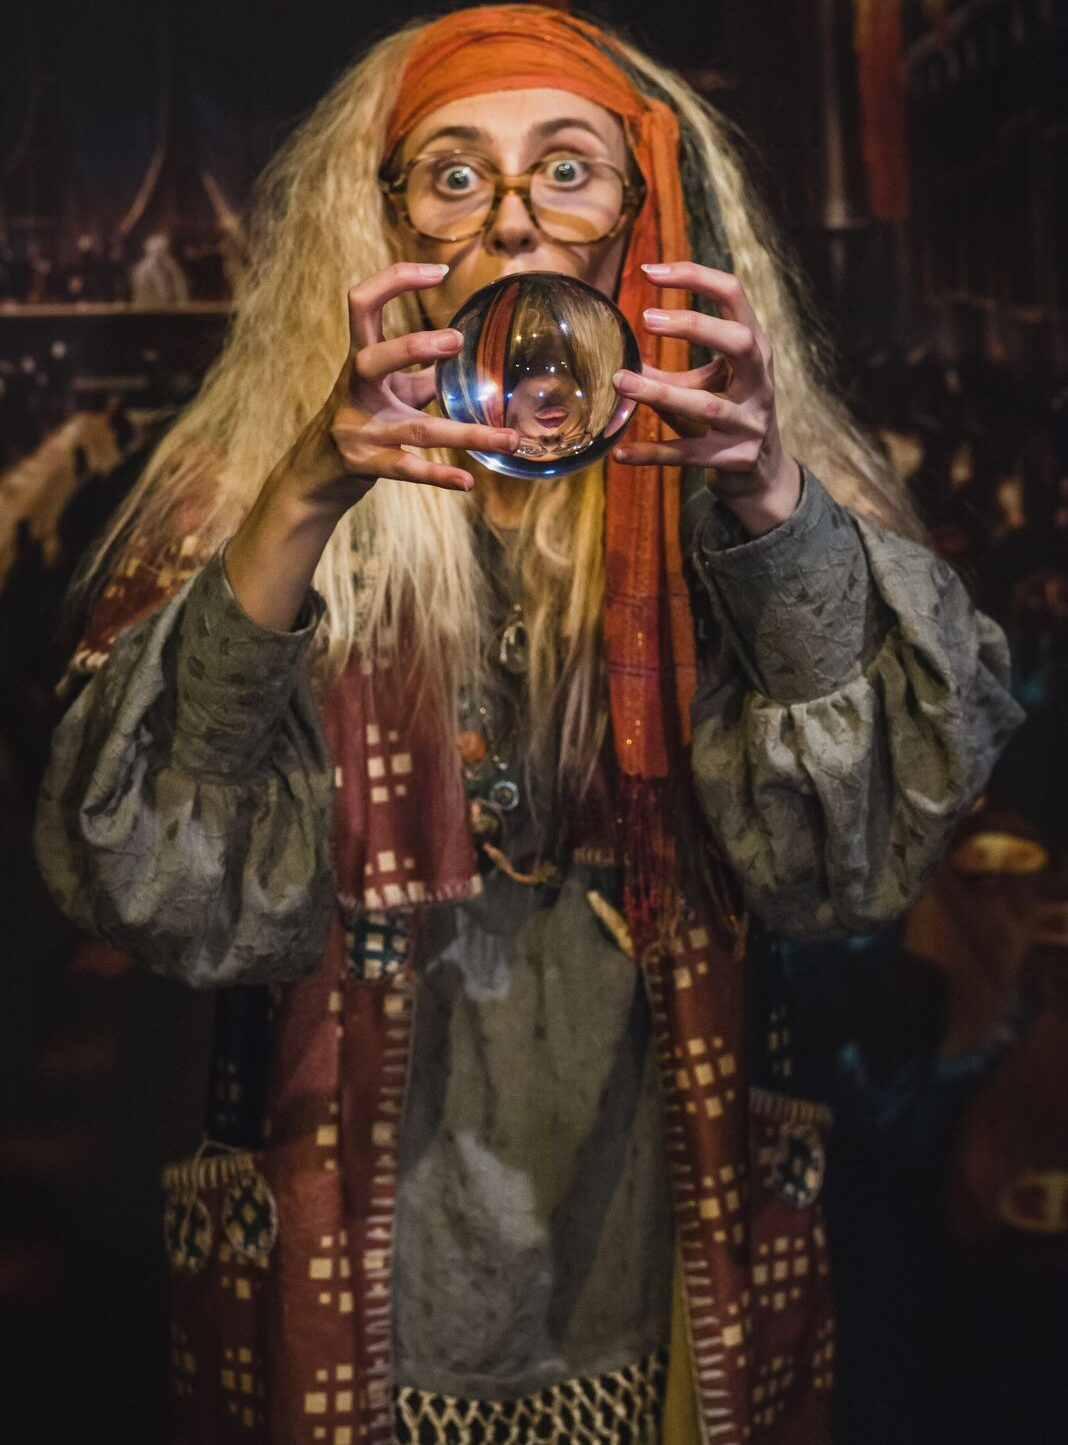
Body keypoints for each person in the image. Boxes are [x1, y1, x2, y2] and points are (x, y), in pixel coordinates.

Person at [34, 8, 1024, 1443]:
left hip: (656, 1222)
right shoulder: (243, 498)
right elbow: (152, 888)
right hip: (363, 1237)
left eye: (567, 170)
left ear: (643, 213)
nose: (512, 220)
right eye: (454, 175)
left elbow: (853, 861)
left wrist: (770, 509)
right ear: (383, 225)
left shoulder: (749, 481)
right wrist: (300, 504)